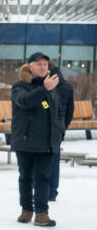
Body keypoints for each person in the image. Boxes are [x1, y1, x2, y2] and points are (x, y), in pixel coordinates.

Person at [11, 52, 65, 227]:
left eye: (45, 64)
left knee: (43, 178)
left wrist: (59, 131)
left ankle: (42, 213)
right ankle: (26, 210)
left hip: (47, 143)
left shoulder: (52, 87)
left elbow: (59, 112)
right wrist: (44, 89)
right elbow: (25, 102)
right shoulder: (20, 87)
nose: (43, 67)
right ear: (30, 67)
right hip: (26, 142)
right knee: (25, 177)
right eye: (39, 64)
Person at [48, 62, 74, 202]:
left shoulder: (46, 85)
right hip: (58, 128)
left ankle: (43, 189)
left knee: (42, 160)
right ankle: (53, 191)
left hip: (45, 128)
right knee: (54, 160)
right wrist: (63, 126)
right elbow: (70, 111)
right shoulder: (67, 87)